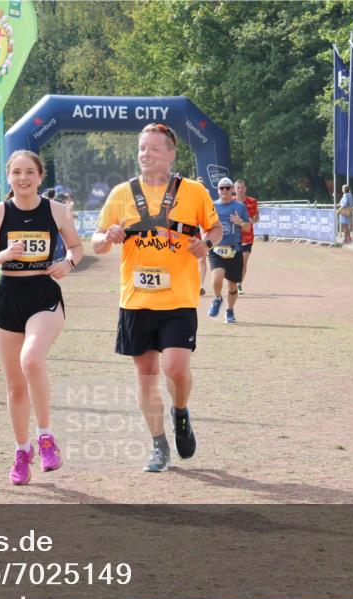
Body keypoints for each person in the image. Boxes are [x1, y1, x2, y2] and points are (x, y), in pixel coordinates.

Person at [92, 123, 221, 473]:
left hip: (178, 298)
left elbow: (215, 228)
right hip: (136, 302)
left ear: (171, 153)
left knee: (176, 368)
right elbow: (97, 242)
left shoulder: (193, 192)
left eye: (153, 149)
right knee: (146, 375)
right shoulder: (122, 193)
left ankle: (181, 411)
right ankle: (159, 445)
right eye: (142, 148)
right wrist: (108, 237)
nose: (145, 155)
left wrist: (204, 244)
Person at [0, 149, 83, 485]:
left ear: (40, 176)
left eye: (29, 172)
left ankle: (46, 437)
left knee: (32, 360)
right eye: (16, 172)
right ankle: (22, 451)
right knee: (15, 386)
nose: (23, 178)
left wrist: (67, 264)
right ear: (9, 177)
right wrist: (5, 254)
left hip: (43, 296)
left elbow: (76, 248)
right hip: (8, 298)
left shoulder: (57, 211)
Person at [207, 177, 249, 324]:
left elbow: (248, 227)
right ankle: (218, 298)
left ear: (232, 190)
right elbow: (204, 224)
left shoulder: (240, 207)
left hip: (234, 249)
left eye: (227, 187)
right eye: (222, 188)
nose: (224, 190)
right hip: (216, 248)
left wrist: (240, 222)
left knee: (232, 286)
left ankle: (230, 310)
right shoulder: (211, 206)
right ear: (218, 191)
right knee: (217, 277)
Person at [234, 178, 259, 295]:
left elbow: (257, 218)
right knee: (234, 262)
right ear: (234, 189)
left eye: (242, 187)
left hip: (248, 237)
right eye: (238, 188)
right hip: (234, 237)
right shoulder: (230, 201)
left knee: (243, 262)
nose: (240, 190)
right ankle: (232, 282)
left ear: (245, 188)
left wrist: (252, 220)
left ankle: (239, 284)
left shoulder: (252, 201)